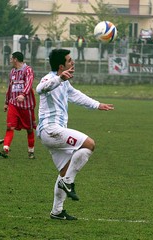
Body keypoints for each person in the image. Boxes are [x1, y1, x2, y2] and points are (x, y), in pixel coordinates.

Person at [36, 49, 114, 220]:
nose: (73, 63)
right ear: (61, 66)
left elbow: (76, 96)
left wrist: (97, 104)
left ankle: (57, 211)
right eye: (70, 60)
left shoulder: (65, 83)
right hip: (51, 129)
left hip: (53, 133)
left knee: (65, 170)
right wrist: (60, 78)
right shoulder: (49, 79)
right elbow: (40, 89)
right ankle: (68, 182)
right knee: (89, 144)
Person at [0, 51, 36, 159]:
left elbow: (29, 83)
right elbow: (10, 87)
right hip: (13, 104)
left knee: (29, 129)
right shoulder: (12, 72)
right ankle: (5, 149)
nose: (10, 61)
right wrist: (6, 102)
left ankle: (31, 151)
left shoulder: (28, 70)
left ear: (15, 59)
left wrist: (23, 95)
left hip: (26, 105)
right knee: (10, 127)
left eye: (11, 59)